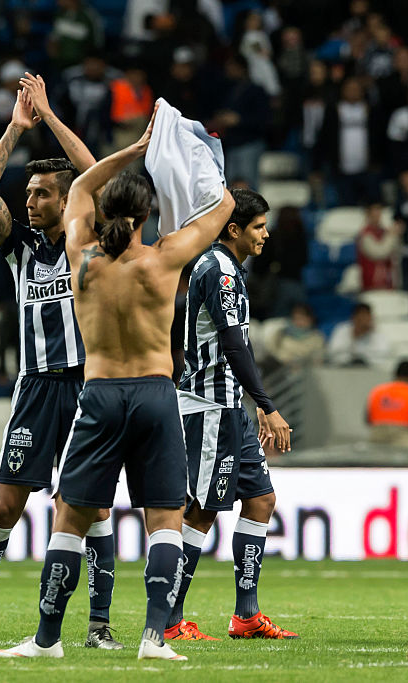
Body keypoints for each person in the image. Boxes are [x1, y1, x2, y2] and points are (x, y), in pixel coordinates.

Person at [0, 104, 235, 661]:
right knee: (165, 519)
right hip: (154, 394)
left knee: (70, 518)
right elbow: (221, 207)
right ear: (148, 215)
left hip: (98, 395)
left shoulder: (81, 258)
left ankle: (47, 639)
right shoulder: (165, 260)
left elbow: (81, 185)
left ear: (103, 214)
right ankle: (154, 639)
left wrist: (133, 151)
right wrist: (194, 159)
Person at [0, 78, 123, 651]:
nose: (30, 201)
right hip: (36, 389)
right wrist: (17, 128)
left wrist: (47, 115)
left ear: (67, 200)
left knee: (91, 508)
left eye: (44, 193)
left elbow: (94, 172)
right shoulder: (20, 249)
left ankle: (98, 627)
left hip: (88, 387)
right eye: (30, 193)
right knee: (5, 505)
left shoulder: (86, 242)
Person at [165, 188, 297, 642]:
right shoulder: (218, 269)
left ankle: (246, 615)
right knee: (201, 510)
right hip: (207, 408)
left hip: (229, 408)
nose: (266, 233)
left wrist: (250, 403)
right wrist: (267, 404)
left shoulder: (229, 269)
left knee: (261, 500)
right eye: (259, 226)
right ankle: (170, 618)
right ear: (235, 229)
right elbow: (233, 343)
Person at [366, 360, 408, 447]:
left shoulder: (377, 392)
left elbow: (367, 418)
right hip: (405, 438)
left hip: (377, 436)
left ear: (395, 373)